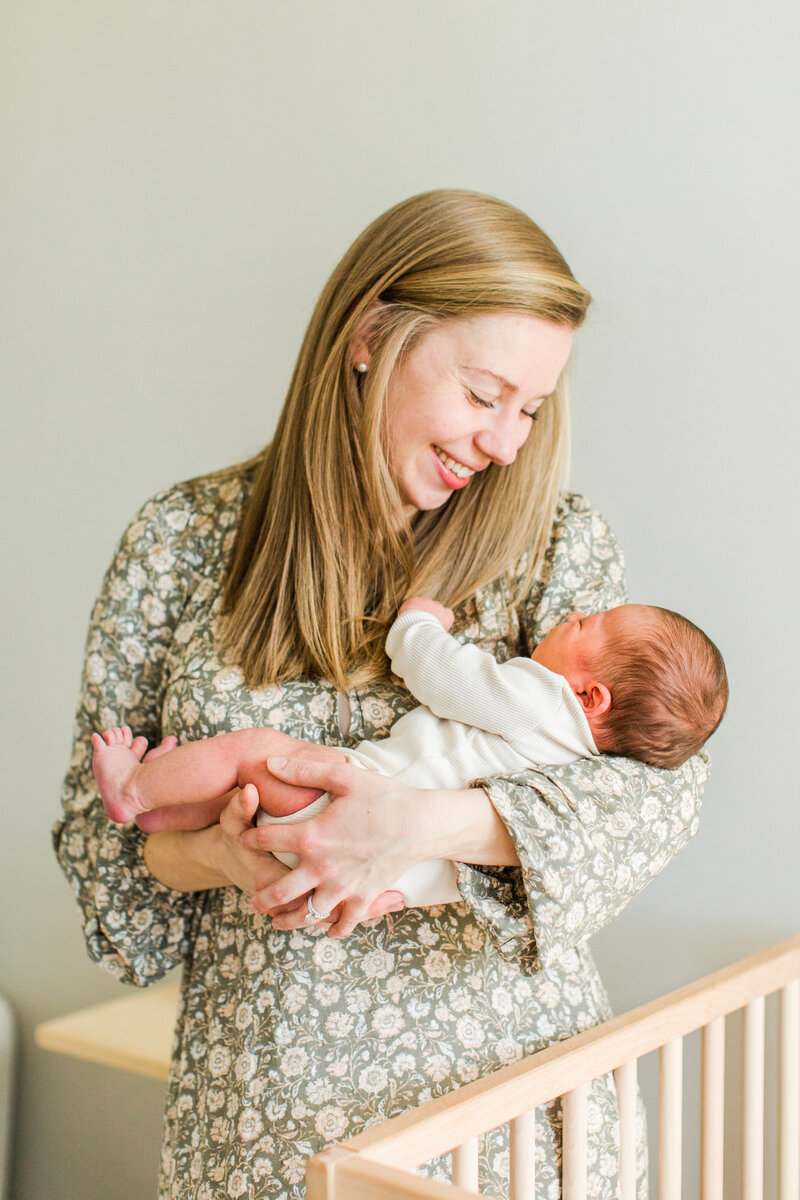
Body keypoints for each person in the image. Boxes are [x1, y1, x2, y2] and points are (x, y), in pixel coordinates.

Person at [54, 189, 711, 1199]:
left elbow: (654, 798)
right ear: (368, 337)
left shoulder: (550, 549)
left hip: (511, 1130)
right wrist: (211, 852)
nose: (505, 443)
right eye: (485, 393)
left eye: (530, 409)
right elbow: (111, 884)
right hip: (269, 1127)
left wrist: (417, 822)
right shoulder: (179, 543)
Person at [90, 598, 727, 908]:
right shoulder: (580, 766)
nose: (575, 615)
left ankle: (136, 789)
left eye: (589, 626)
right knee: (246, 793)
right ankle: (168, 812)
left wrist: (418, 625)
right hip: (368, 888)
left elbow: (448, 677)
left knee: (257, 752)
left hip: (341, 799)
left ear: (590, 698)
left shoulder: (541, 701)